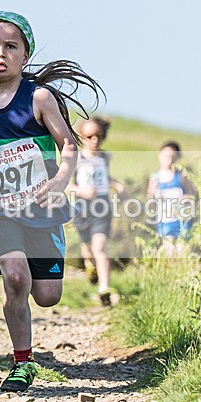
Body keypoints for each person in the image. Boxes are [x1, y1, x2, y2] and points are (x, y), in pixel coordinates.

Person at [0, 11, 103, 392]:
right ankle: (23, 362)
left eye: (10, 46)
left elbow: (69, 145)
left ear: (25, 54)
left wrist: (59, 181)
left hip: (40, 207)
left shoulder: (38, 98)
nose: (0, 54)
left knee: (48, 295)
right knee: (16, 277)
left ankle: (38, 281)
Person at [68, 117, 126, 306]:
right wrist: (81, 191)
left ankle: (104, 289)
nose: (95, 140)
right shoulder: (76, 159)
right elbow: (65, 184)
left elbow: (105, 176)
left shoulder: (105, 157)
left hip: (102, 208)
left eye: (99, 136)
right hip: (82, 210)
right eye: (89, 136)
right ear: (81, 137)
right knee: (88, 248)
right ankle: (89, 265)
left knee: (100, 246)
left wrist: (117, 185)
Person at [147, 141, 196, 257]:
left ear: (177, 157)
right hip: (165, 221)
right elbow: (150, 200)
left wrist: (187, 198)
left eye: (173, 157)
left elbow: (194, 193)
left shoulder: (181, 175)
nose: (169, 160)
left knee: (183, 252)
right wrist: (152, 194)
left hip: (182, 220)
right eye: (167, 156)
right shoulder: (155, 178)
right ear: (159, 155)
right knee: (169, 253)